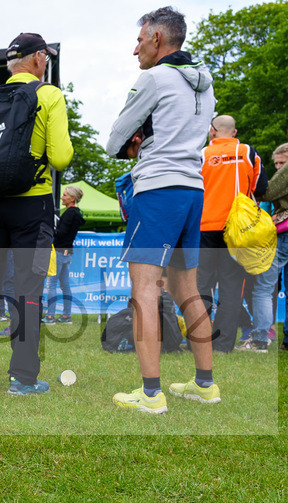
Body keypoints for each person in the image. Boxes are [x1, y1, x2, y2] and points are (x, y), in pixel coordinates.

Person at [105, 7, 217, 413]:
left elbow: (115, 138)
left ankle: (151, 394)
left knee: (144, 290)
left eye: (139, 41)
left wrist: (133, 143)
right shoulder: (206, 84)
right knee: (188, 290)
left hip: (157, 189)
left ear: (157, 40)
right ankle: (205, 384)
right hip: (193, 189)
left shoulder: (153, 77)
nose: (135, 50)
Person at [0, 32, 73, 395]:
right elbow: (61, 158)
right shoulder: (49, 94)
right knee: (28, 291)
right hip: (32, 205)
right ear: (39, 59)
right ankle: (23, 378)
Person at [198, 115, 268, 352]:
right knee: (231, 287)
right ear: (234, 131)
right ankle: (222, 344)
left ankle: (198, 339)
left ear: (212, 132)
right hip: (238, 230)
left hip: (205, 227)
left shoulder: (201, 155)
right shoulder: (249, 152)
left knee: (200, 285)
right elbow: (261, 187)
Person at [252, 143, 288, 352]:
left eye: (282, 163)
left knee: (264, 288)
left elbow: (268, 192)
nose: (279, 168)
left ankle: (260, 340)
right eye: (276, 164)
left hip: (283, 233)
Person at [44, 185, 86, 324]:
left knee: (51, 284)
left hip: (59, 251)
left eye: (65, 195)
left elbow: (61, 233)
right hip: (67, 252)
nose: (62, 197)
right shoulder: (76, 213)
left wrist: (49, 229)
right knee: (65, 285)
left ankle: (50, 316)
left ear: (72, 198)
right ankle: (66, 315)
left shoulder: (69, 213)